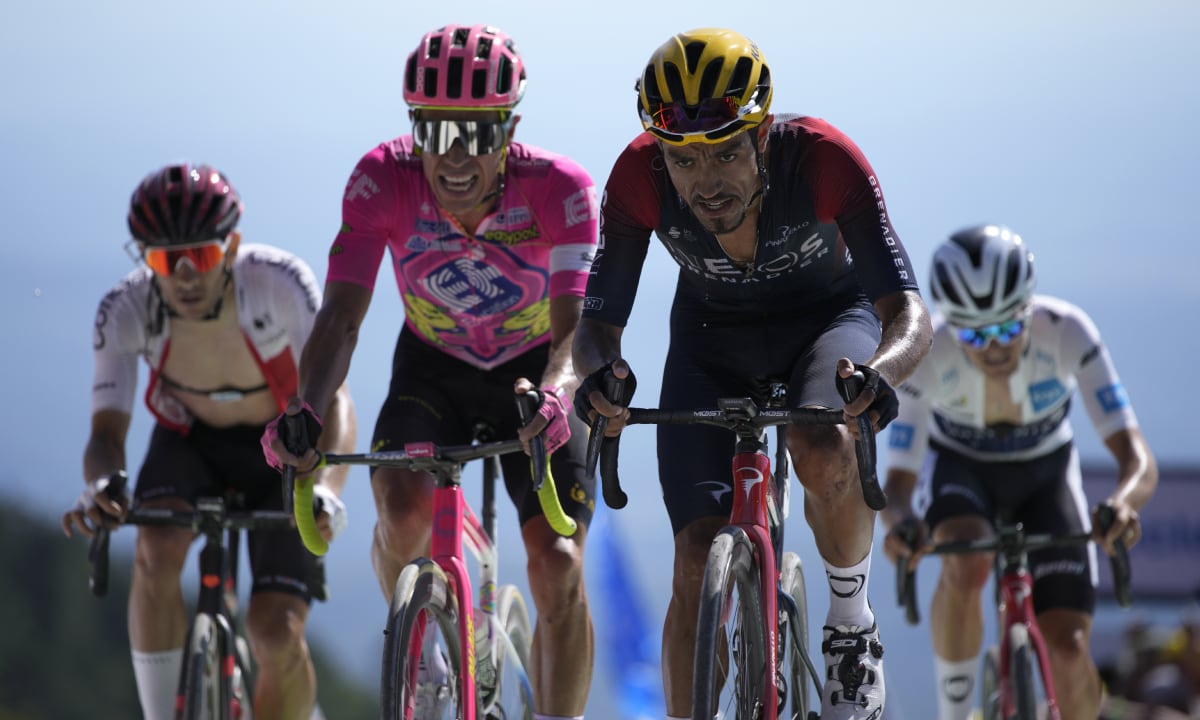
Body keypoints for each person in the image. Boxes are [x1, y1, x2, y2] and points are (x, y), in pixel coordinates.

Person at [572, 28, 933, 719]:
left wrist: (881, 377)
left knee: (822, 444)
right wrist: (599, 378)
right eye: (683, 161)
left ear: (762, 133)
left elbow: (908, 314)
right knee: (691, 560)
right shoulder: (636, 178)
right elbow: (595, 328)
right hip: (712, 340)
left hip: (829, 324)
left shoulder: (825, 160)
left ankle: (850, 626)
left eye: (727, 153)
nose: (705, 184)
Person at [261, 24, 599, 720]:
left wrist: (561, 393)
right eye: (433, 131)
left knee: (559, 567)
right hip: (433, 367)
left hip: (536, 373)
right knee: (399, 504)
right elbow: (342, 316)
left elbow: (576, 329)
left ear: (509, 130)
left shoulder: (560, 190)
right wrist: (307, 409)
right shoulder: (382, 179)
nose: (452, 156)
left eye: (475, 135)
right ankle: (421, 642)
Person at [61, 162, 356, 720]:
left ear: (232, 245)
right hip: (190, 444)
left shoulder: (279, 282)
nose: (183, 277)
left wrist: (328, 490)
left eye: (199, 256)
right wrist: (102, 486)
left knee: (274, 632)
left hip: (285, 451)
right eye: (162, 261)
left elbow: (335, 403)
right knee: (155, 551)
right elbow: (105, 436)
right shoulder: (124, 309)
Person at [879, 224, 1158, 720]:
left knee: (1069, 648)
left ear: (1029, 308)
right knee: (966, 564)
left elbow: (1136, 458)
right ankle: (955, 710)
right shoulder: (928, 355)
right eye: (973, 335)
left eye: (1008, 328)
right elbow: (898, 482)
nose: (993, 348)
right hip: (962, 474)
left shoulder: (1069, 331)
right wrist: (901, 524)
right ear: (951, 325)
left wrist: (1123, 503)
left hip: (1047, 477)